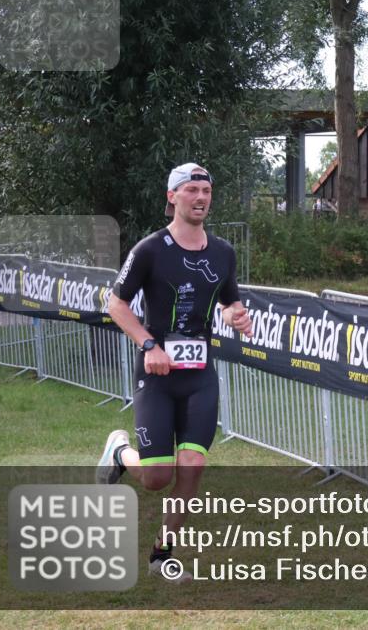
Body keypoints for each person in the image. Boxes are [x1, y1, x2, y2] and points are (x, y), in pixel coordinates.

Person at [96, 162, 253, 580]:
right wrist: (148, 344)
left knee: (192, 468)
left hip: (200, 373)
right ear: (172, 197)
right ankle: (119, 453)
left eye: (206, 190)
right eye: (191, 190)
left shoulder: (222, 252)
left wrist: (237, 315)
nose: (200, 198)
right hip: (158, 375)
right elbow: (116, 303)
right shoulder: (149, 249)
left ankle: (161, 555)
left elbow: (230, 300)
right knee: (155, 477)